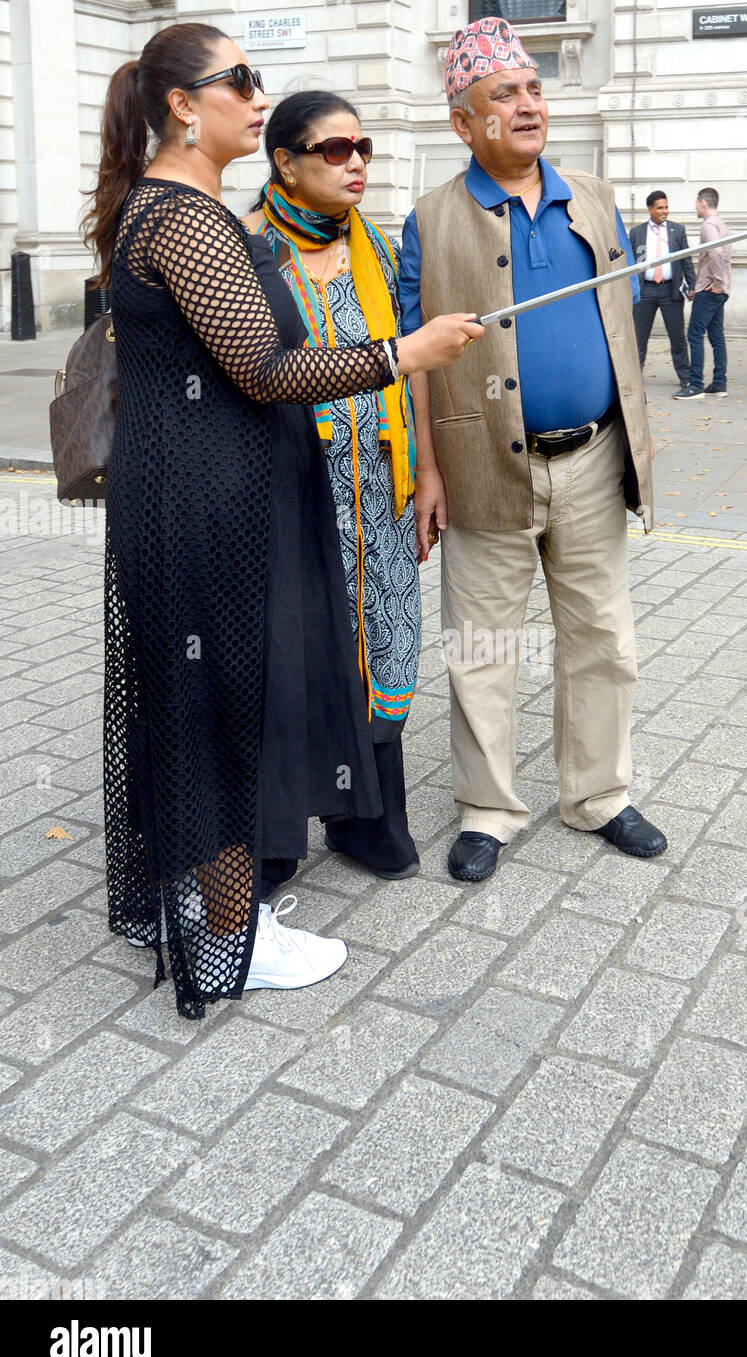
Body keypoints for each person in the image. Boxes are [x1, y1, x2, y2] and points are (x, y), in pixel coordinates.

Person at [85, 22, 481, 1016]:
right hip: (196, 502)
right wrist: (406, 353)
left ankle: (216, 906)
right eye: (241, 81)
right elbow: (264, 371)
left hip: (197, 491)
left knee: (206, 703)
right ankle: (234, 938)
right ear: (183, 103)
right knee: (216, 711)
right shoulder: (183, 217)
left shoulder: (187, 205)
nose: (258, 99)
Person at [398, 16, 665, 884]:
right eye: (503, 95)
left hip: (591, 458)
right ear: (463, 122)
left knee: (604, 637)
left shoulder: (591, 195)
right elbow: (414, 360)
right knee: (480, 645)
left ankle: (598, 796)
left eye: (534, 90)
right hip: (482, 467)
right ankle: (487, 807)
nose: (526, 106)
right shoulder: (429, 220)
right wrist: (428, 471)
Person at [245, 91, 422, 881]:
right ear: (284, 161)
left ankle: (365, 817)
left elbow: (411, 372)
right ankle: (276, 831)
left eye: (364, 148)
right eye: (335, 149)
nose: (355, 163)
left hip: (377, 492)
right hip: (286, 500)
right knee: (290, 656)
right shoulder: (246, 250)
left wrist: (433, 475)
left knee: (378, 647)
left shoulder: (374, 248)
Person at [629, 190, 694, 384]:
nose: (664, 211)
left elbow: (686, 259)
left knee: (677, 338)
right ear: (649, 209)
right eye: (660, 208)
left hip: (670, 291)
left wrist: (693, 284)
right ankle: (632, 379)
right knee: (638, 338)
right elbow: (629, 261)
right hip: (645, 291)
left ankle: (686, 378)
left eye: (666, 207)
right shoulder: (637, 232)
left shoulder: (677, 230)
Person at [674, 187, 730, 400]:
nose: (695, 207)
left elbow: (715, 252)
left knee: (695, 334)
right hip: (719, 289)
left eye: (697, 203)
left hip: (710, 289)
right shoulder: (721, 223)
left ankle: (695, 384)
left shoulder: (708, 225)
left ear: (704, 203)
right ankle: (719, 383)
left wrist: (717, 282)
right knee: (716, 335)